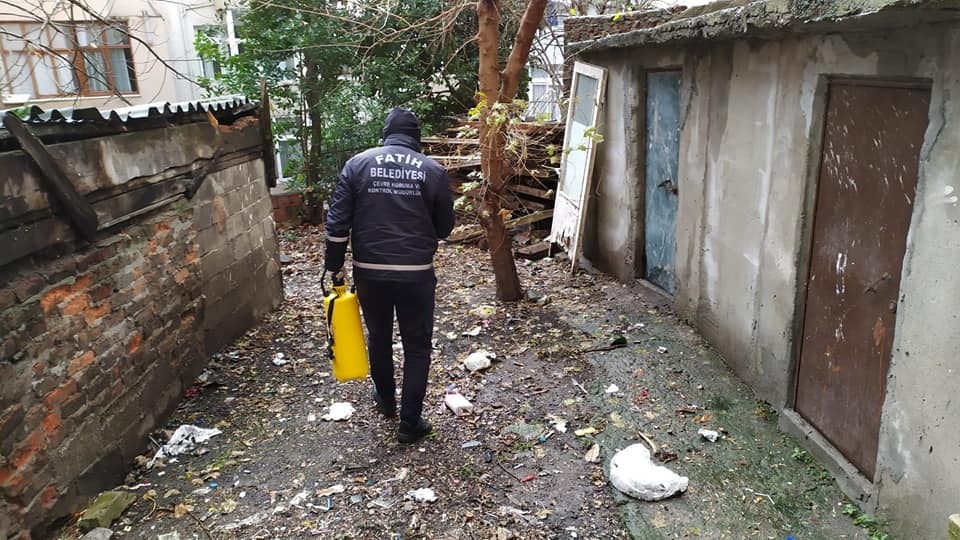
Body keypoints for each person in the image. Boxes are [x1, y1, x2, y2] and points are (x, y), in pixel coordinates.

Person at [324, 107, 455, 444]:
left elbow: (337, 224)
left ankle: (385, 401)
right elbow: (445, 228)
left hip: (370, 273)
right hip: (416, 275)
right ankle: (410, 423)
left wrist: (333, 265)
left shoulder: (357, 165)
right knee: (417, 346)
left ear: (385, 134)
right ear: (416, 137)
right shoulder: (433, 171)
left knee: (379, 337)